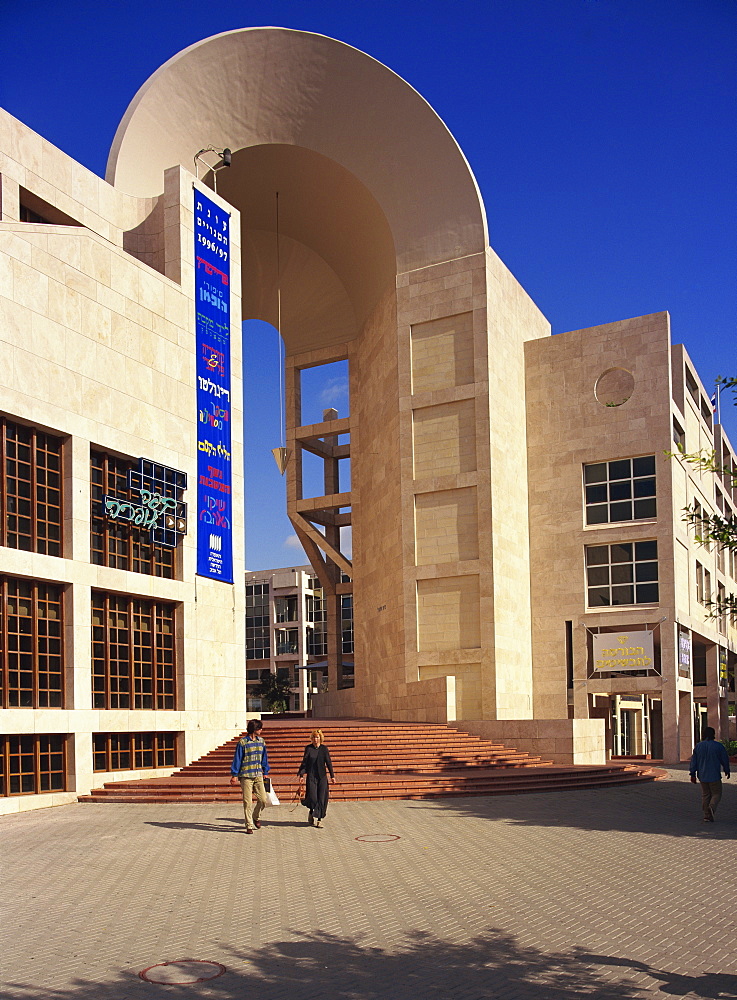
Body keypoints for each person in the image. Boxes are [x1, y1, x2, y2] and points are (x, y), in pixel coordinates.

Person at [230, 719, 270, 834]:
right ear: (254, 729)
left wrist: (265, 771)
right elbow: (237, 759)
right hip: (246, 776)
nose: (261, 730)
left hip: (258, 775)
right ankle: (249, 825)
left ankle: (256, 817)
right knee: (247, 802)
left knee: (263, 800)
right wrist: (234, 775)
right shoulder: (243, 742)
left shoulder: (262, 741)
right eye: (260, 728)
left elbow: (264, 758)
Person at [689, 726, 730, 822]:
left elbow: (693, 761)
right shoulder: (718, 746)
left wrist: (692, 774)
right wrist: (726, 770)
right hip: (714, 775)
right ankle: (711, 807)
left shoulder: (699, 746)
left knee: (706, 794)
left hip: (702, 775)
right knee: (717, 793)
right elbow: (724, 759)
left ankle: (706, 815)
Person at [298, 729, 335, 828]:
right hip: (311, 776)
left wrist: (332, 776)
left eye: (317, 737)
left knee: (321, 798)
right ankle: (311, 811)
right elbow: (304, 762)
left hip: (322, 777)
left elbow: (328, 762)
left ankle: (319, 819)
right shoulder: (308, 748)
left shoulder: (324, 749)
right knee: (313, 797)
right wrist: (301, 775)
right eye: (314, 737)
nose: (315, 739)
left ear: (321, 738)